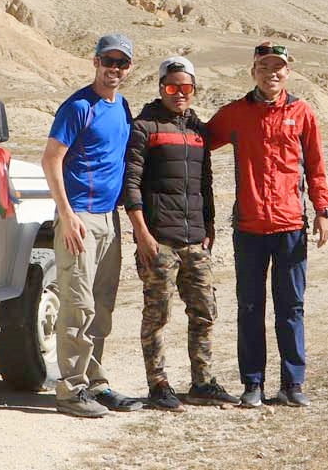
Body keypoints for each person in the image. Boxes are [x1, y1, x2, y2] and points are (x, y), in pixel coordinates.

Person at [205, 41, 328, 409]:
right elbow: (198, 142)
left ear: (287, 72)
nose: (271, 73)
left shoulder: (302, 113)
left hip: (291, 225)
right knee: (249, 307)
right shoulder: (236, 114)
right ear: (253, 72)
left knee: (291, 308)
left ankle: (292, 384)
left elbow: (316, 166)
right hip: (249, 228)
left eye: (278, 67)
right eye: (264, 67)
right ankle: (253, 383)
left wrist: (322, 210)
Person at [123, 55, 241, 410]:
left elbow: (205, 183)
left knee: (204, 312)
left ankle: (202, 383)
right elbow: (131, 185)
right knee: (157, 315)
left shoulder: (198, 131)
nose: (179, 93)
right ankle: (158, 384)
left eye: (186, 87)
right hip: (159, 240)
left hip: (195, 241)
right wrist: (143, 234)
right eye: (172, 87)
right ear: (161, 88)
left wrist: (209, 227)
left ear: (193, 90)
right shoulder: (144, 127)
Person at [42, 33, 145, 418]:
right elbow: (51, 159)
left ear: (129, 68)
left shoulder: (121, 107)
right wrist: (66, 215)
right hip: (79, 217)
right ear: (95, 61)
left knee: (102, 305)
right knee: (78, 304)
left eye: (121, 63)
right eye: (108, 61)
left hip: (108, 218)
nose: (114, 69)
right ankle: (70, 390)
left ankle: (95, 383)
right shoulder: (77, 106)